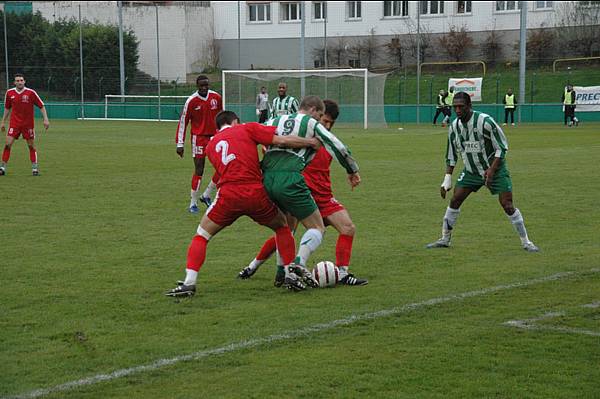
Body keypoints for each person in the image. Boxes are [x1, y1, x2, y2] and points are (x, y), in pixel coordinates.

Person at [166, 111, 322, 297]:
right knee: (282, 228)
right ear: (235, 121)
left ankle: (189, 282)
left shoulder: (211, 145)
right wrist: (310, 142)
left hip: (228, 195)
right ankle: (289, 273)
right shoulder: (246, 128)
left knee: (202, 235)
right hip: (255, 192)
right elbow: (280, 140)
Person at [239, 100, 367, 286]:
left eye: (330, 123)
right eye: (324, 120)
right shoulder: (305, 136)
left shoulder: (325, 143)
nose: (326, 125)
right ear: (316, 114)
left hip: (323, 197)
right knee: (285, 232)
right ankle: (258, 266)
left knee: (348, 228)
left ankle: (341, 273)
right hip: (298, 191)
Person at [426, 92, 539, 252]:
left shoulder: (485, 122)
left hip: (495, 169)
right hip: (471, 171)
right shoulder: (454, 127)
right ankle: (444, 239)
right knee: (455, 200)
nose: (457, 110)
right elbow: (451, 154)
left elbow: (502, 147)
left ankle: (526, 242)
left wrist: (492, 170)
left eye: (461, 107)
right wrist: (447, 178)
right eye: (455, 107)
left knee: (507, 205)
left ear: (469, 106)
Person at [175, 75, 222, 214]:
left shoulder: (216, 98)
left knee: (222, 167)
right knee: (199, 169)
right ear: (197, 85)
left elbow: (222, 117)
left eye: (206, 85)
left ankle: (207, 194)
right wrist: (180, 143)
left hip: (214, 137)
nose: (204, 88)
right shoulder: (191, 101)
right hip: (199, 138)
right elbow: (183, 122)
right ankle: (193, 203)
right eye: (201, 85)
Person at [0, 73, 50, 176]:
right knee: (7, 144)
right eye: (17, 81)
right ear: (14, 82)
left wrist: (45, 119)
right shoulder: (9, 93)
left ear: (24, 81)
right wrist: (3, 121)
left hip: (28, 125)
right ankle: (2, 168)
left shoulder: (31, 93)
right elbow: (7, 108)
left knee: (31, 146)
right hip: (14, 124)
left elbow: (41, 106)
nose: (19, 82)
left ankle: (35, 169)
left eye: (21, 80)